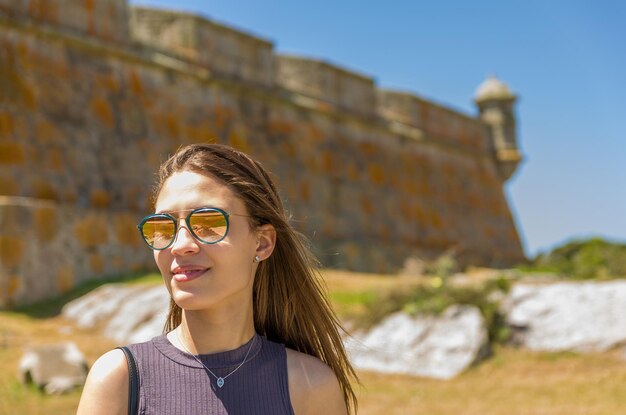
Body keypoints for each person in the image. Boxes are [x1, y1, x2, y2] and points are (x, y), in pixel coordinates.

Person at [77, 143, 358, 414]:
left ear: (262, 243)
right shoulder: (118, 380)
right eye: (163, 227)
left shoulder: (312, 387)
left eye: (208, 223)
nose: (180, 244)